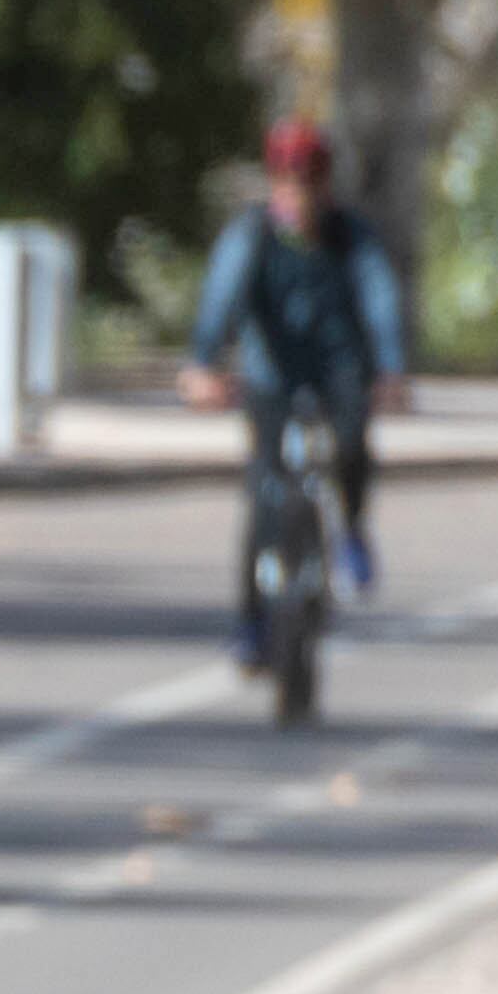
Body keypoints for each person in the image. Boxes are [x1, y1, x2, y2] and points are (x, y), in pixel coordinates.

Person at [179, 116, 412, 660]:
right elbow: (221, 296)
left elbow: (379, 299)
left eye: (308, 178)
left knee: (352, 445)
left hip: (338, 369)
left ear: (324, 183)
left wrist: (391, 370)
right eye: (286, 177)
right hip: (271, 376)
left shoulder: (350, 236)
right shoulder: (252, 234)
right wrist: (200, 365)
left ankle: (352, 529)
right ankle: (253, 622)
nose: (297, 191)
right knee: (263, 492)